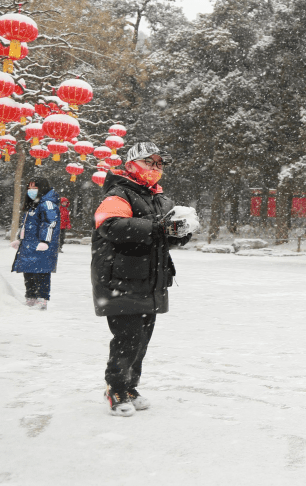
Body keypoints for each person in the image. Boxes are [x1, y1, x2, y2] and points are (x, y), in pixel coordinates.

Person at [91, 142, 194, 416]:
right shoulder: (118, 194)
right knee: (127, 338)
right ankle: (115, 389)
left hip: (150, 280)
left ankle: (130, 386)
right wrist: (158, 227)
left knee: (141, 340)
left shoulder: (159, 199)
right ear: (131, 165)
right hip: (121, 280)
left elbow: (160, 238)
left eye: (159, 164)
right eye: (149, 162)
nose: (155, 168)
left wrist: (180, 233)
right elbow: (110, 227)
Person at [11, 178, 61, 310]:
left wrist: (45, 241)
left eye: (35, 188)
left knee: (41, 271)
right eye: (29, 188)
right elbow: (27, 224)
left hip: (41, 245)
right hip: (29, 244)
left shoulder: (48, 203)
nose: (31, 191)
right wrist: (20, 238)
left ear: (42, 188)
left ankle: (42, 299)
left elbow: (51, 223)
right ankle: (31, 297)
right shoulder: (33, 204)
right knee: (28, 271)